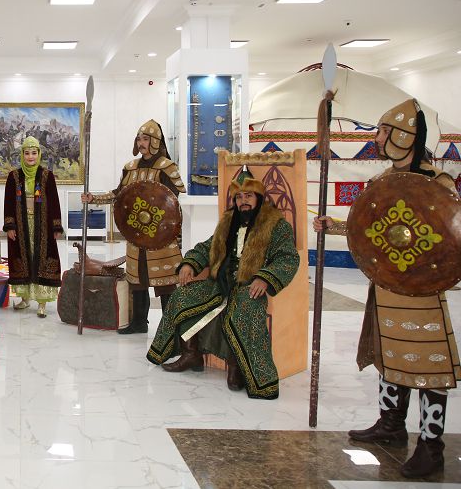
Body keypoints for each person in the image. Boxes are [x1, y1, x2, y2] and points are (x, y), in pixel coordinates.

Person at [315, 98, 459, 478]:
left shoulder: (437, 183)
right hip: (387, 286)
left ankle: (431, 446)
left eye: (382, 132)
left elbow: (449, 235)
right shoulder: (381, 182)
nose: (377, 139)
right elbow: (369, 225)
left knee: (429, 365)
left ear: (405, 135)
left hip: (423, 291)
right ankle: (391, 425)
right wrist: (335, 226)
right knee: (390, 355)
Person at [146, 170, 299, 399]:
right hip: (221, 283)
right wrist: (189, 264)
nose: (243, 201)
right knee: (182, 296)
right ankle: (191, 354)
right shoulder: (228, 222)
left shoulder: (276, 225)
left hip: (250, 285)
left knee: (244, 311)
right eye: (239, 197)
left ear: (258, 197)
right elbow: (207, 247)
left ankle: (237, 367)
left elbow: (288, 258)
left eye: (248, 196)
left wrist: (265, 278)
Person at [82, 120, 186, 333]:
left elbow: (172, 202)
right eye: (139, 139)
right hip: (137, 232)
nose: (141, 143)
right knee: (137, 280)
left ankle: (169, 327)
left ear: (155, 141)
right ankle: (139, 322)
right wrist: (94, 198)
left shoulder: (167, 167)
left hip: (160, 235)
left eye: (145, 139)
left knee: (165, 283)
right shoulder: (130, 168)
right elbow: (118, 194)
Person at [3, 137, 64, 318]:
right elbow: (8, 202)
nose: (31, 156)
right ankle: (25, 299)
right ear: (22, 155)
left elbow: (54, 202)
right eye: (27, 153)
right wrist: (10, 226)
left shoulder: (47, 176)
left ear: (39, 154)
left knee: (41, 260)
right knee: (24, 259)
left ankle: (42, 302)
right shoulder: (14, 176)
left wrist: (56, 227)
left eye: (34, 153)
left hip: (42, 226)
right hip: (21, 226)